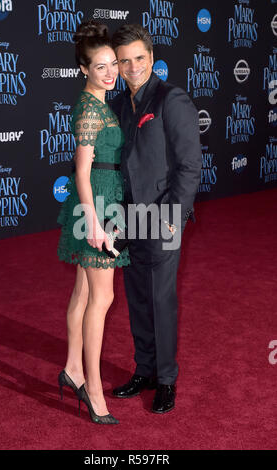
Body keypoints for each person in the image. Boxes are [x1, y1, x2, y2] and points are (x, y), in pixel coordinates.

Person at [110, 24, 202, 413]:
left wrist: (175, 216)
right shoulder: (117, 105)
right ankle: (144, 370)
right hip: (129, 217)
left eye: (139, 59)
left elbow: (189, 165)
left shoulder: (171, 99)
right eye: (123, 60)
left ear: (151, 57)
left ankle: (165, 379)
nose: (132, 67)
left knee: (161, 298)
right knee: (137, 297)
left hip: (162, 215)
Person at [57, 21, 130, 425]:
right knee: (103, 300)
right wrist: (95, 223)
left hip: (103, 199)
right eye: (99, 66)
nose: (109, 72)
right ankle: (94, 389)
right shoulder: (89, 108)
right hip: (95, 205)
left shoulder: (99, 102)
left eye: (111, 64)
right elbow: (83, 172)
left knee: (85, 293)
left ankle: (72, 367)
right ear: (83, 68)